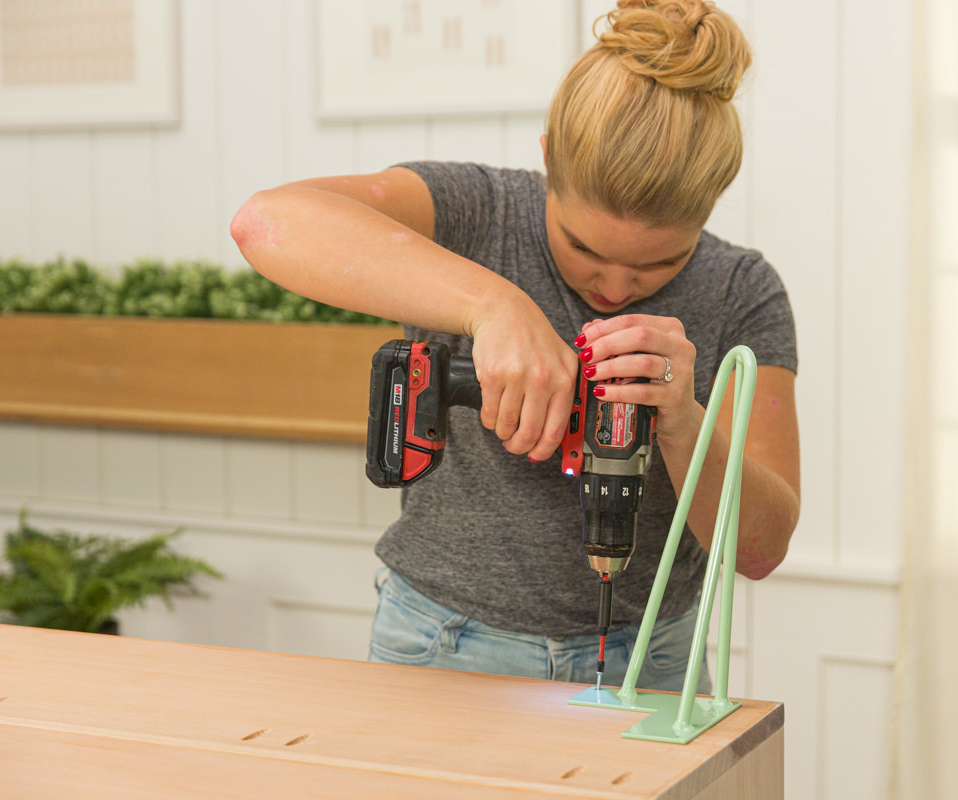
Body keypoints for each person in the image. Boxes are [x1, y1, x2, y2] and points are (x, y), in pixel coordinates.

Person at [231, 0, 799, 692]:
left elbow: (761, 548)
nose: (615, 286)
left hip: (653, 658)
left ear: (712, 204)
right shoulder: (475, 212)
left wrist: (682, 420)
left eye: (657, 266)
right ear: (546, 160)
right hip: (444, 643)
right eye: (583, 247)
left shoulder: (741, 289)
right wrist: (493, 305)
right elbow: (266, 222)